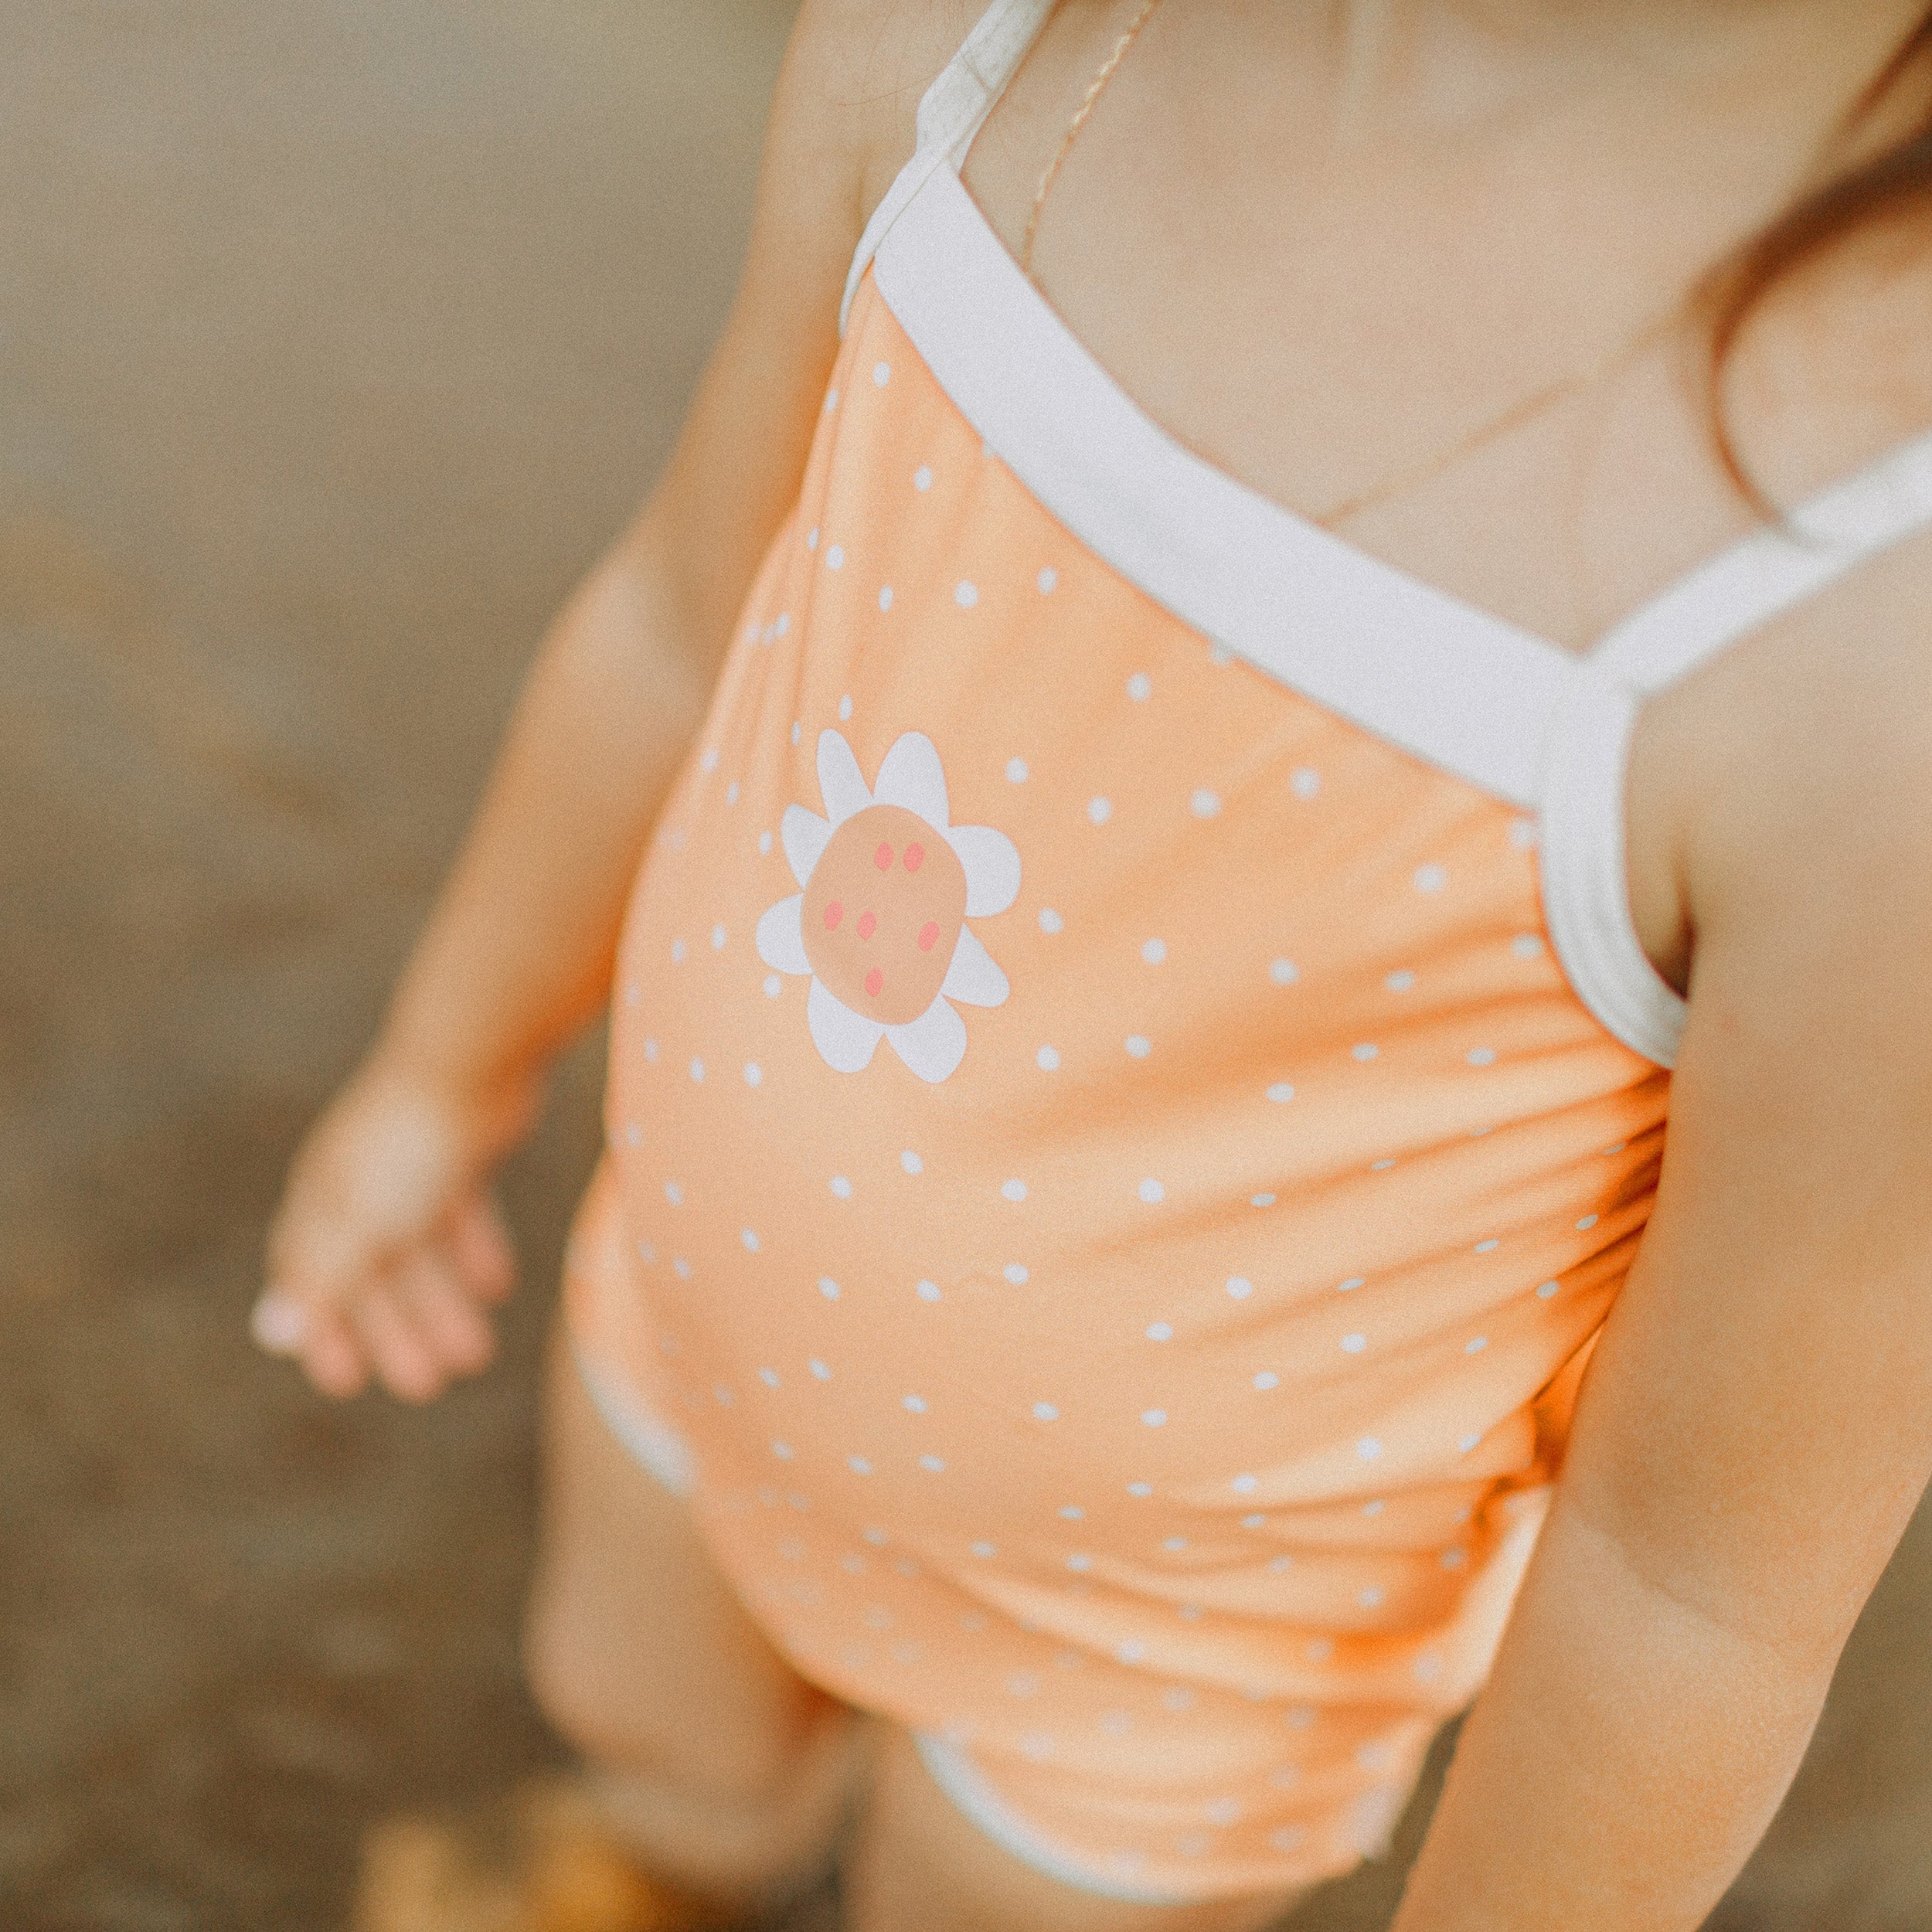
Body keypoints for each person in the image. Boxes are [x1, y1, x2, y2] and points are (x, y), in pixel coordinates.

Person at [253, 2, 1932, 1927]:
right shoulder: (977, 36)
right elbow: (678, 614)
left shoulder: (1864, 637)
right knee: (648, 1730)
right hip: (688, 1334)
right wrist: (444, 1064)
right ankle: (669, 1852)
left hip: (1179, 1658)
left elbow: (1690, 1575)